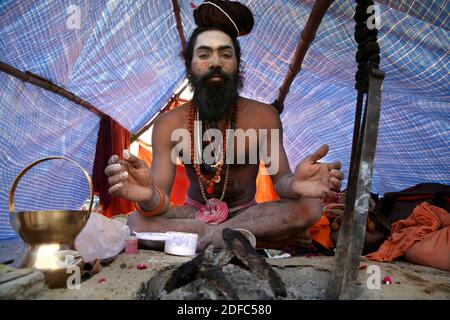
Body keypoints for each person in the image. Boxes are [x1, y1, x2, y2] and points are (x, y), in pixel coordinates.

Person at [104, 0, 344, 251]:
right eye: (204, 54)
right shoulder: (169, 123)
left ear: (237, 64)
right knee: (136, 221)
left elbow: (281, 181)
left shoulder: (264, 117)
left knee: (310, 206)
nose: (215, 62)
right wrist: (147, 195)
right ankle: (241, 240)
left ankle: (210, 239)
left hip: (249, 216)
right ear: (190, 65)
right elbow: (159, 202)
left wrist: (294, 184)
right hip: (194, 217)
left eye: (225, 54)